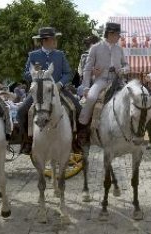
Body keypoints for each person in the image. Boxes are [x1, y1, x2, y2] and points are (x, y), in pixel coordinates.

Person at [16, 27, 81, 155]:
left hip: (58, 89)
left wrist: (60, 84)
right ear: (45, 41)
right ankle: (27, 142)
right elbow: (25, 74)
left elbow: (68, 73)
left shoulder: (60, 54)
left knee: (78, 109)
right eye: (53, 39)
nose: (55, 41)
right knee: (20, 111)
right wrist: (35, 75)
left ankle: (76, 142)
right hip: (39, 90)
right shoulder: (33, 55)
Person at [78, 22, 130, 145]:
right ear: (110, 34)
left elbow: (126, 64)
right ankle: (83, 128)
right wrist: (86, 86)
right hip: (101, 80)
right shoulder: (95, 48)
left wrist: (124, 70)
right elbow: (86, 68)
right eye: (118, 34)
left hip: (117, 80)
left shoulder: (119, 49)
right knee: (91, 97)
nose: (119, 37)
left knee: (132, 96)